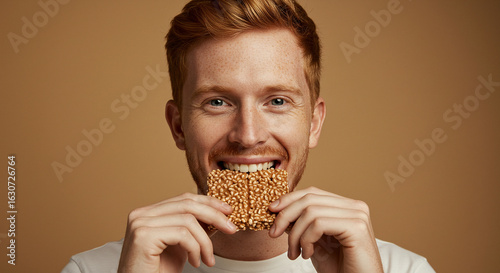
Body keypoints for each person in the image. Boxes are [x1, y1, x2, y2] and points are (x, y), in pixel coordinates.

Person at [62, 0, 436, 272]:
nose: (248, 135)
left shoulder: (400, 269)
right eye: (218, 102)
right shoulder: (93, 270)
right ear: (178, 126)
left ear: (314, 123)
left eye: (276, 100)